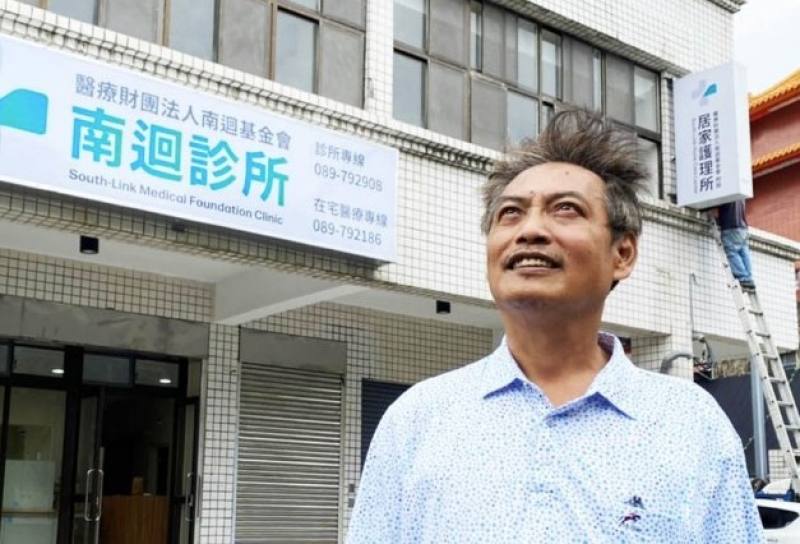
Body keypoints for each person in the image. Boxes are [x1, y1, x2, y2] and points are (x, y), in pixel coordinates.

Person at [347, 109, 762, 543]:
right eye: (510, 213)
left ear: (622, 253)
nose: (530, 230)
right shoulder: (417, 421)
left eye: (565, 209)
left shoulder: (691, 426)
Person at [711, 200, 755, 289]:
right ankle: (748, 278)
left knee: (732, 251)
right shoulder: (739, 192)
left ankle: (743, 278)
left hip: (730, 226)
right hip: (743, 227)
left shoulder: (728, 191)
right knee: (743, 251)